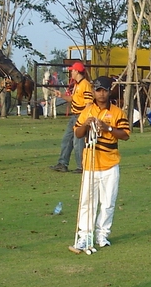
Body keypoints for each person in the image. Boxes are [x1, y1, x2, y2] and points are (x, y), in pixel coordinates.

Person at [69, 76, 130, 253]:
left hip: (110, 164)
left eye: (104, 90)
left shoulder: (117, 112)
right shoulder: (87, 111)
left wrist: (107, 128)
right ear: (94, 92)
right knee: (87, 202)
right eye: (98, 90)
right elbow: (78, 133)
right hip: (90, 164)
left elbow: (125, 134)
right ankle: (84, 236)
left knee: (108, 202)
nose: (101, 94)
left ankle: (102, 235)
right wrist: (87, 125)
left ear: (109, 91)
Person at [50, 61, 93, 173]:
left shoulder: (85, 85)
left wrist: (84, 119)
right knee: (66, 139)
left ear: (77, 71)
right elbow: (73, 99)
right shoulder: (77, 85)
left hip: (80, 116)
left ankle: (81, 166)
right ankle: (63, 163)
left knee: (78, 142)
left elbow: (89, 103)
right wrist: (62, 96)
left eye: (72, 71)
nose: (71, 73)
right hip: (74, 116)